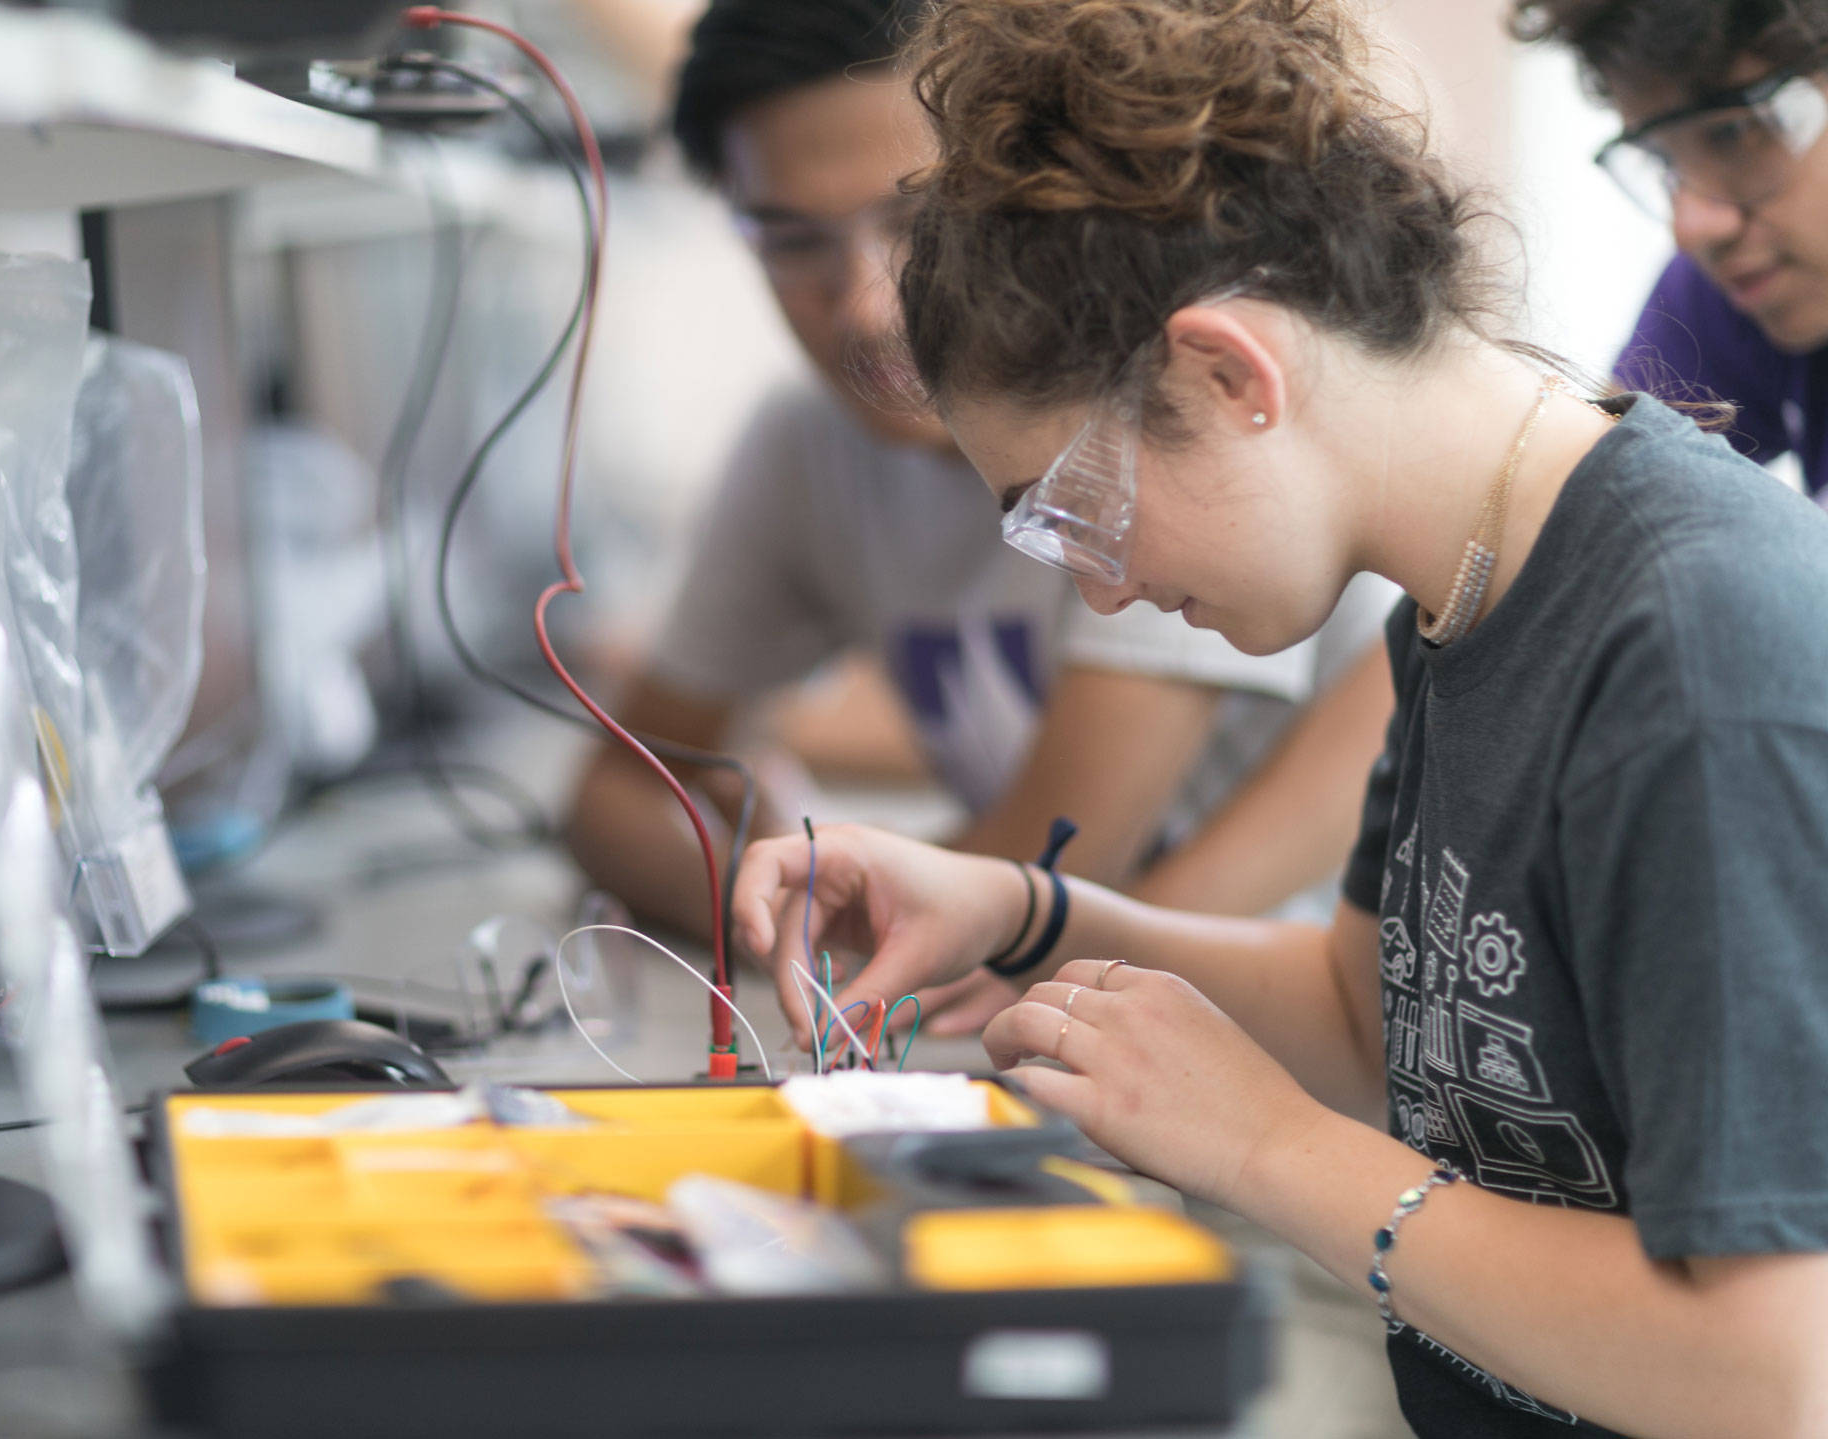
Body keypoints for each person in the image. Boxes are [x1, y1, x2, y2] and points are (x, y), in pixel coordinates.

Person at [732, 0, 1828, 1434]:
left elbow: (1767, 1369)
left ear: (1229, 371)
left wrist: (1258, 1145)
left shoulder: (1698, 654)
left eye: (1075, 505)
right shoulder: (1471, 588)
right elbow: (1376, 1020)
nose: (1104, 591)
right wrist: (1018, 909)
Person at [564, 0, 1399, 1037]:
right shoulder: (805, 443)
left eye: (914, 224)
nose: (865, 307)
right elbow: (616, 788)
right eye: (789, 242)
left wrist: (810, 899)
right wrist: (774, 895)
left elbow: (1044, 865)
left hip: (1288, 1050)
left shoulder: (1154, 408)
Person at [1513, 0, 1828, 492]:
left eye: (1733, 134)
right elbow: (1581, 500)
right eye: (1665, 162)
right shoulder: (1733, 293)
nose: (1691, 227)